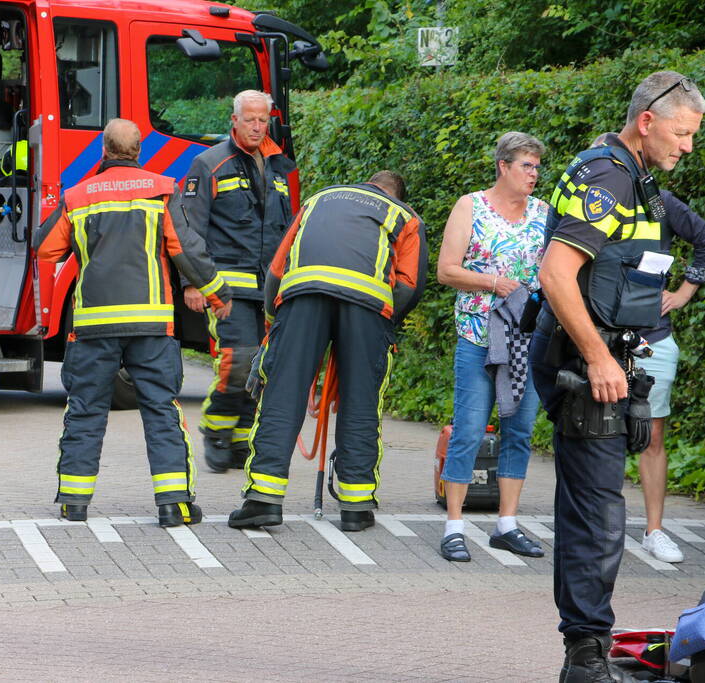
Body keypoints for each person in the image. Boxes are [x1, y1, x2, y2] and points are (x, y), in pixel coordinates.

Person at [530, 71, 705, 682]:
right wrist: (600, 359)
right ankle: (584, 654)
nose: (688, 146)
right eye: (682, 133)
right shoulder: (608, 174)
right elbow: (556, 273)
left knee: (598, 505)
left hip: (607, 357)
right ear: (649, 121)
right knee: (597, 512)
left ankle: (586, 645)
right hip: (585, 362)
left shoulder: (635, 177)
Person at [36, 119, 233, 527]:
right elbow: (187, 251)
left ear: (103, 151)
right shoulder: (161, 190)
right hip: (151, 327)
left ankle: (74, 502)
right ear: (139, 150)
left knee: (86, 410)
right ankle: (173, 505)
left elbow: (46, 249)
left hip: (92, 329)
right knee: (161, 410)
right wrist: (218, 295)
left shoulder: (77, 197)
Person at [227, 171, 426, 532]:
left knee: (282, 395)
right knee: (361, 402)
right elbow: (409, 285)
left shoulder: (319, 199)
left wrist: (275, 322)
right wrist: (381, 323)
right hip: (367, 307)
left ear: (364, 184)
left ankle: (263, 500)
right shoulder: (404, 215)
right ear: (400, 195)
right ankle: (356, 506)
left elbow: (277, 268)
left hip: (302, 296)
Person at [590, 134, 705, 563]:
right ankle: (596, 530)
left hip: (654, 338)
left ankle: (654, 530)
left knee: (652, 437)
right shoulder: (587, 206)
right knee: (594, 436)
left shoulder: (660, 202)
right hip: (597, 338)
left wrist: (684, 292)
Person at [435, 131, 549, 562]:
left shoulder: (544, 212)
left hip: (526, 336)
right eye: (526, 165)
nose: (534, 174)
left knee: (519, 431)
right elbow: (446, 270)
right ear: (503, 166)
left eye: (537, 166)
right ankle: (454, 527)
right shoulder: (471, 206)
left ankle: (507, 524)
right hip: (478, 335)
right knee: (468, 430)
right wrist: (493, 282)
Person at [180, 90, 295, 473]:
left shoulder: (279, 166)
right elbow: (189, 227)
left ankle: (242, 438)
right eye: (250, 119)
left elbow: (288, 230)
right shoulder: (209, 163)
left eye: (263, 120)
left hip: (270, 290)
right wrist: (193, 283)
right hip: (227, 288)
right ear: (234, 120)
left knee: (262, 368)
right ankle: (215, 429)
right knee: (239, 361)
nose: (257, 126)